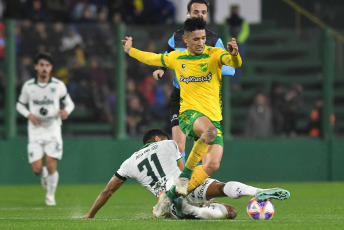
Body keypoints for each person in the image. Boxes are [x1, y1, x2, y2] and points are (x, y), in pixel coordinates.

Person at [122, 17, 244, 216]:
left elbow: (234, 63)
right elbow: (151, 58)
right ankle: (180, 186)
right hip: (189, 116)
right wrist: (129, 50)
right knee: (209, 131)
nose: (201, 43)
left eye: (203, 38)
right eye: (196, 39)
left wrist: (235, 54)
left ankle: (170, 196)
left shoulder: (214, 54)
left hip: (213, 119)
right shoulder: (177, 58)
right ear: (185, 40)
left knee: (212, 164)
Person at [79, 129, 290, 220]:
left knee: (222, 212)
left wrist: (91, 215)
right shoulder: (169, 144)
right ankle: (256, 191)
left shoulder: (128, 162)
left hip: (171, 198)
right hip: (183, 184)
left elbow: (107, 191)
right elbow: (184, 172)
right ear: (158, 138)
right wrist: (203, 196)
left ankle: (189, 210)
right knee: (224, 196)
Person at [152, 0, 235, 163]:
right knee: (179, 147)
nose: (200, 16)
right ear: (188, 13)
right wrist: (162, 69)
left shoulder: (213, 40)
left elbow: (230, 69)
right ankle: (181, 185)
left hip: (203, 99)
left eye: (204, 13)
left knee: (205, 150)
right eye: (196, 12)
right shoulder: (176, 38)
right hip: (181, 98)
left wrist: (202, 68)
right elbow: (166, 58)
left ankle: (195, 184)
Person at [16, 52, 75, 206]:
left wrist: (66, 111)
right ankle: (43, 176)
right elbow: (19, 105)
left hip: (53, 130)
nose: (44, 68)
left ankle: (50, 196)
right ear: (36, 67)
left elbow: (70, 103)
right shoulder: (29, 86)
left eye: (47, 65)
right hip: (35, 131)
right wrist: (29, 115)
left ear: (51, 68)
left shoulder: (58, 85)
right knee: (37, 169)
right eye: (41, 65)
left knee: (50, 165)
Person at [225, 4, 250, 91]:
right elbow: (225, 31)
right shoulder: (227, 21)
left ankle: (236, 83)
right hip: (230, 45)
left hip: (239, 45)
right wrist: (232, 41)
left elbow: (245, 31)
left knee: (238, 64)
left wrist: (238, 40)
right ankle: (229, 84)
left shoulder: (242, 21)